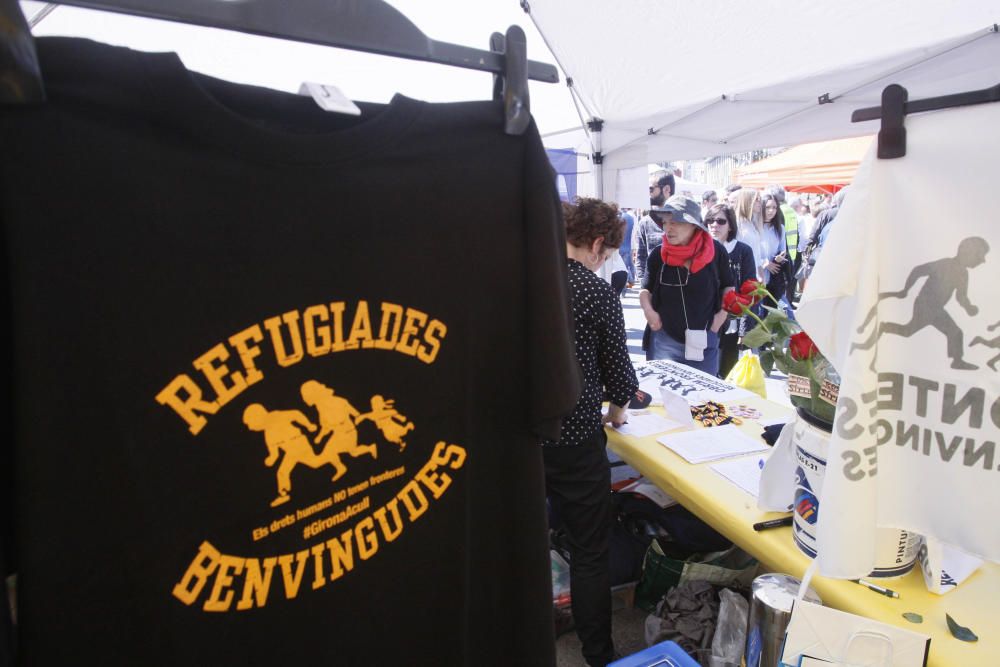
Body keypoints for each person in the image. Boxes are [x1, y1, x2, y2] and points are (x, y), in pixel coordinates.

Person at [544, 197, 639, 667]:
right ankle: (599, 654)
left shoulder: (521, 282)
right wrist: (618, 411)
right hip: (576, 437)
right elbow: (620, 377)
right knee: (588, 551)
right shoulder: (596, 292)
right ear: (597, 243)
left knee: (517, 543)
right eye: (607, 250)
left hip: (519, 439)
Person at [639, 195, 735, 375]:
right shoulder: (658, 255)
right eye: (665, 222)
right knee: (662, 397)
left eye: (675, 222)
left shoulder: (716, 251)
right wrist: (649, 312)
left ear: (693, 225)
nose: (668, 228)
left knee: (703, 400)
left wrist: (720, 318)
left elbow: (729, 287)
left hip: (704, 338)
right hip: (664, 338)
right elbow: (645, 290)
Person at [705, 203, 755, 378]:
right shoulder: (702, 248)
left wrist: (745, 330)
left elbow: (749, 291)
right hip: (704, 321)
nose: (714, 225)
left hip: (732, 323)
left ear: (731, 225)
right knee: (705, 374)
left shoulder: (743, 251)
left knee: (726, 374)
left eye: (720, 221)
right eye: (710, 220)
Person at [633, 171, 674, 283]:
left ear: (666, 189)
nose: (647, 193)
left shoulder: (684, 220)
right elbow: (641, 257)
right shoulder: (645, 222)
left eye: (651, 189)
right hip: (654, 286)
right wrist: (643, 285)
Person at [760, 193, 790, 310]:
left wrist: (780, 257)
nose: (771, 211)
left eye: (774, 207)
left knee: (770, 312)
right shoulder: (754, 227)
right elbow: (751, 252)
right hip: (757, 276)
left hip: (774, 277)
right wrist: (765, 263)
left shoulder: (780, 228)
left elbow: (783, 250)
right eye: (768, 207)